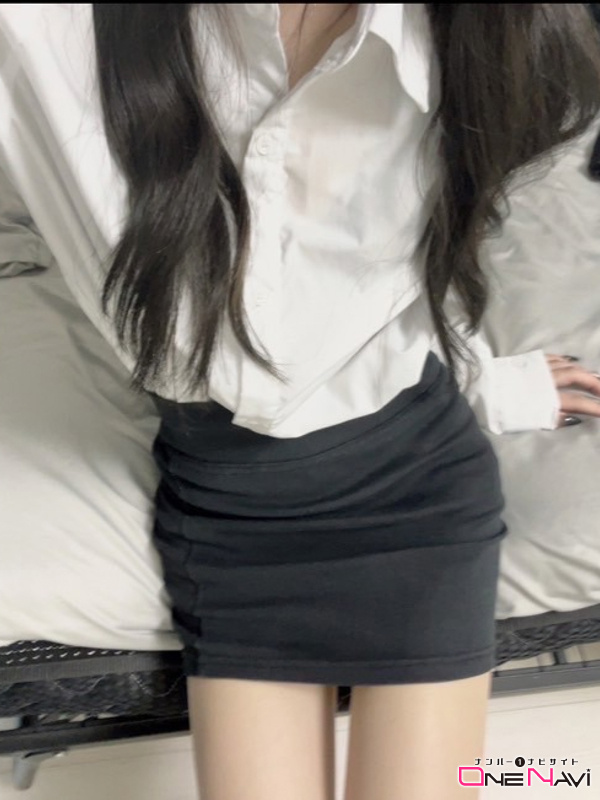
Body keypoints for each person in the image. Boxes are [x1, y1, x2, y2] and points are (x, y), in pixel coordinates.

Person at [1, 4, 600, 799]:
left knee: (458, 784)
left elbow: (403, 286)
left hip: (416, 498)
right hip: (232, 519)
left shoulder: (474, 40)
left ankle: (551, 777)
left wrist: (495, 386)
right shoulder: (53, 28)